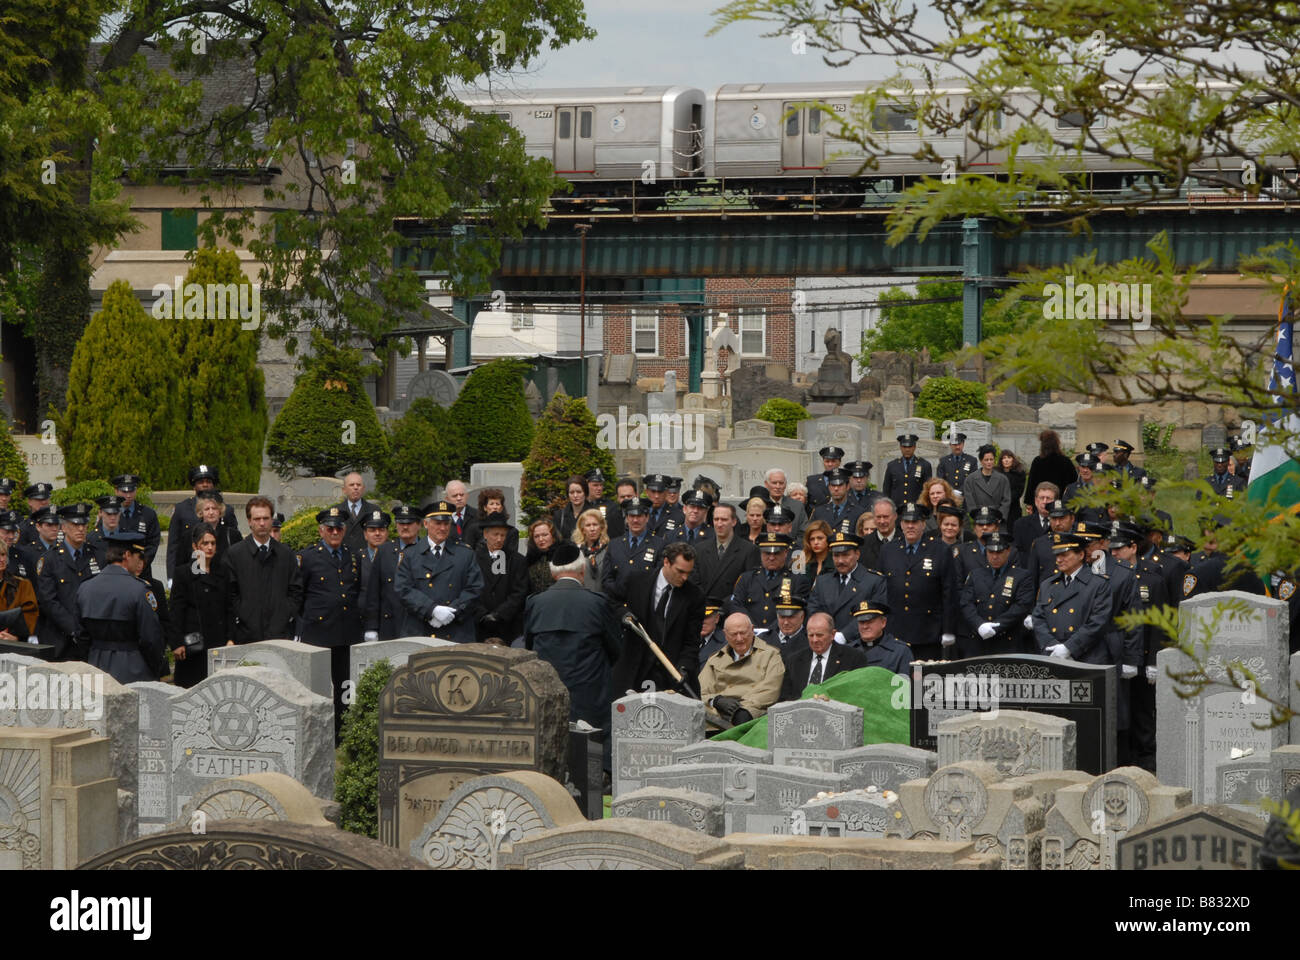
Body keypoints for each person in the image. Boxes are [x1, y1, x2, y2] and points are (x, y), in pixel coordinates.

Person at [523, 541, 621, 726]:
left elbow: (529, 646)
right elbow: (615, 648)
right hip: (590, 693)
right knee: (590, 752)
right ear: (582, 570)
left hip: (547, 692)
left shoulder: (536, 603)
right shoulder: (597, 602)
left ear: (553, 573)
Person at [298, 506, 363, 739]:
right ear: (321, 530)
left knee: (346, 686)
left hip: (347, 632)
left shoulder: (353, 555)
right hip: (319, 633)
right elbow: (300, 595)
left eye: (339, 528)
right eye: (330, 528)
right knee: (319, 686)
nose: (335, 532)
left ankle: (342, 730)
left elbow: (356, 591)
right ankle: (317, 731)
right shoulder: (307, 557)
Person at [1109, 522, 1168, 771]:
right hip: (1119, 654)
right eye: (1111, 549)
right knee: (1122, 712)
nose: (1114, 553)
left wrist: (1155, 659)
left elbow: (1160, 620)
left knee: (1144, 712)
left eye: (1119, 549)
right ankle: (1125, 759)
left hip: (1144, 655)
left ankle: (1147, 761)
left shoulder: (1152, 576)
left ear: (1133, 547)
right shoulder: (1109, 575)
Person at [611, 542, 705, 697]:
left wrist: (683, 668)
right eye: (680, 571)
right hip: (635, 669)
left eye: (688, 573)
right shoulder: (636, 580)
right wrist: (624, 614)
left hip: (671, 674)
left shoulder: (694, 596)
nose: (684, 577)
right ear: (666, 562)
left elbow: (692, 641)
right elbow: (612, 600)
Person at [75, 530, 165, 685]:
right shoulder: (139, 591)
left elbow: (81, 634)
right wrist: (155, 668)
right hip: (133, 668)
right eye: (139, 556)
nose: (140, 562)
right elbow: (150, 639)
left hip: (95, 666)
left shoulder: (85, 588)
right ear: (127, 555)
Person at [395, 500, 485, 644]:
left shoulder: (465, 553)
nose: (443, 528)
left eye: (446, 523)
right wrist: (432, 610)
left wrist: (452, 611)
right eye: (437, 523)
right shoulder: (411, 554)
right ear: (426, 524)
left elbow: (475, 588)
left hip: (456, 629)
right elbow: (403, 589)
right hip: (421, 629)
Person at [878, 501, 958, 660]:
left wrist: (948, 630)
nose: (910, 526)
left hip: (928, 631)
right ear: (900, 524)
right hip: (896, 630)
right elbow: (880, 589)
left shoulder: (940, 550)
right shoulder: (888, 550)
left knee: (924, 680)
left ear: (923, 524)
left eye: (915, 522)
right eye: (906, 522)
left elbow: (949, 593)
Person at [226, 495, 303, 645]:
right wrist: (244, 614)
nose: (262, 523)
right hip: (246, 634)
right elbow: (230, 593)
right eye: (257, 519)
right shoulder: (235, 554)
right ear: (249, 521)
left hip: (279, 634)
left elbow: (296, 590)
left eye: (266, 518)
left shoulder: (285, 554)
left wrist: (285, 614)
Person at [1029, 532, 1114, 663]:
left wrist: (1069, 647)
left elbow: (1098, 622)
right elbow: (1038, 618)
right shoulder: (1048, 584)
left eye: (1064, 555)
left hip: (1086, 656)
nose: (1058, 560)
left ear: (1080, 555)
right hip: (1053, 653)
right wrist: (1051, 645)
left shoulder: (1098, 584)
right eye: (1057, 555)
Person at [699, 612, 785, 728]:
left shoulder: (770, 655)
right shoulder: (715, 659)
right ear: (725, 635)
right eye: (734, 634)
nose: (739, 639)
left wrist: (741, 708)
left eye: (743, 633)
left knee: (743, 718)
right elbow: (700, 691)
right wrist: (716, 701)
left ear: (752, 630)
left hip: (751, 711)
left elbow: (771, 690)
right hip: (717, 714)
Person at [37, 503, 99, 661]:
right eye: (75, 525)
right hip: (60, 639)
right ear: (63, 528)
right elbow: (48, 601)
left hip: (91, 638)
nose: (81, 529)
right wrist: (73, 628)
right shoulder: (49, 559)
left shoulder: (96, 556)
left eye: (84, 524)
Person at [169, 523, 228, 689]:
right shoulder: (184, 573)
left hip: (218, 641)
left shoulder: (223, 571)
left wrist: (231, 638)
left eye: (213, 543)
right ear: (195, 546)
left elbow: (229, 607)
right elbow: (176, 609)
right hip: (193, 643)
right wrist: (177, 642)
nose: (209, 547)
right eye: (205, 543)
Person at [959, 531, 1035, 656]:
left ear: (1008, 551)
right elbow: (966, 603)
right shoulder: (975, 574)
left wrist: (996, 627)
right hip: (978, 641)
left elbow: (1021, 606)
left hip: (1008, 643)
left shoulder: (1022, 576)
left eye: (999, 552)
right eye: (991, 552)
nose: (994, 556)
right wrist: (979, 625)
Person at [807, 530, 889, 637]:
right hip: (826, 642)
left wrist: (843, 635)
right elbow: (813, 610)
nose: (840, 561)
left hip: (858, 644)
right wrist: (826, 633)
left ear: (857, 554)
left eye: (845, 555)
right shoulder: (823, 581)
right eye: (836, 555)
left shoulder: (874, 581)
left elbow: (874, 616)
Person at [167, 465, 239, 581]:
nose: (205, 485)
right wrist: (171, 576)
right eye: (201, 482)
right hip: (194, 571)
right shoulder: (181, 509)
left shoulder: (228, 510)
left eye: (208, 481)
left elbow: (235, 545)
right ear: (194, 485)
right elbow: (173, 547)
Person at [727, 532, 810, 633]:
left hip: (780, 635)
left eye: (776, 553)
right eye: (767, 553)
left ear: (786, 553)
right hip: (749, 633)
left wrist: (769, 632)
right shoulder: (747, 578)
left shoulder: (798, 581)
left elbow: (799, 612)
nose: (771, 558)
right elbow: (736, 605)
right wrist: (751, 627)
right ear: (761, 553)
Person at [362, 503, 422, 641]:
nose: (405, 527)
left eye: (410, 523)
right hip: (389, 624)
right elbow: (373, 592)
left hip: (418, 623)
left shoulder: (427, 550)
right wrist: (371, 626)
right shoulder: (384, 551)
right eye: (401, 522)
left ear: (419, 525)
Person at [777, 610, 868, 701]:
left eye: (819, 635)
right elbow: (785, 697)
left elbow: (858, 694)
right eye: (811, 635)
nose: (815, 640)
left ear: (832, 634)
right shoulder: (794, 660)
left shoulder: (853, 658)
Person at [472, 511, 529, 643]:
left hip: (508, 625)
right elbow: (469, 588)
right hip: (480, 625)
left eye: (503, 535)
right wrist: (482, 614)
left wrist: (499, 614)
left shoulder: (517, 560)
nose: (499, 539)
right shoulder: (472, 559)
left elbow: (519, 592)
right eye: (495, 534)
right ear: (485, 534)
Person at [687, 501, 757, 603]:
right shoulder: (699, 549)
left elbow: (749, 587)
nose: (719, 524)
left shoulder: (749, 550)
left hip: (732, 611)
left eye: (724, 520)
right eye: (716, 519)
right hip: (702, 609)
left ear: (734, 522)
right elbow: (693, 583)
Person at [602, 498, 664, 600]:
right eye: (632, 516)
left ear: (647, 517)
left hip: (645, 606)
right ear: (626, 518)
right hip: (618, 606)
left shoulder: (659, 545)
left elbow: (659, 581)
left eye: (639, 516)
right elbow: (606, 580)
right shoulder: (614, 545)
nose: (635, 520)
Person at [843, 601, 911, 675]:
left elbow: (913, 684)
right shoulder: (848, 650)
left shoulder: (900, 651)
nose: (865, 627)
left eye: (869, 622)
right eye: (861, 622)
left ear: (883, 622)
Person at [954, 506, 1014, 582]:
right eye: (980, 525)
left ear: (997, 528)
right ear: (974, 528)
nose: (984, 527)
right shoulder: (962, 551)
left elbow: (1015, 580)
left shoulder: (1010, 551)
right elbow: (957, 585)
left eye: (989, 524)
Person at [111, 474, 161, 566]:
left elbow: (153, 543)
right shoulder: (109, 514)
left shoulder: (148, 514)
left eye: (131, 491)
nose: (128, 495)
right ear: (116, 491)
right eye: (124, 492)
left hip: (141, 569)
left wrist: (140, 563)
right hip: (116, 569)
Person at [1023, 430, 1077, 512]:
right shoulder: (1065, 461)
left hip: (1041, 502)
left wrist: (1029, 502)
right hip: (1060, 503)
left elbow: (1031, 484)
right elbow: (1074, 481)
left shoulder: (1038, 461)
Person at [882, 434, 933, 509]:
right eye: (904, 447)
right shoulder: (892, 465)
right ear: (900, 447)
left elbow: (927, 490)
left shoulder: (924, 465)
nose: (907, 449)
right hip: (897, 509)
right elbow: (886, 490)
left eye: (910, 447)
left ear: (914, 447)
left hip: (916, 509)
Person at [964, 445, 1012, 522]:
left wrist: (1000, 516)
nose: (989, 462)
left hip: (996, 518)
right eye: (986, 460)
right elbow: (970, 502)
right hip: (979, 518)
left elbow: (1006, 500)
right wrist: (976, 516)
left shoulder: (1003, 479)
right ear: (981, 460)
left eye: (991, 459)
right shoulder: (970, 479)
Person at [335, 472, 379, 554]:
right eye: (351, 485)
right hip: (343, 559)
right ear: (344, 490)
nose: (355, 487)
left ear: (363, 488)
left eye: (359, 485)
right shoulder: (336, 511)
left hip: (367, 558)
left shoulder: (374, 510)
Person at [0, 546, 38, 641]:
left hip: (14, 642)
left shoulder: (23, 585)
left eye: (3, 554)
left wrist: (16, 637)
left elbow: (30, 613)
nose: (1, 559)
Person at [812, 468, 864, 535]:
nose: (836, 489)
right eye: (833, 485)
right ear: (829, 487)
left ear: (848, 486)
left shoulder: (858, 512)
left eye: (840, 485)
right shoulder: (819, 512)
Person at [1013, 482, 1060, 554]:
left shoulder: (1062, 524)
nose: (1045, 502)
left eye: (1048, 498)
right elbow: (1017, 554)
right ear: (1036, 501)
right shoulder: (1021, 524)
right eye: (1042, 498)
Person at [195, 490, 242, 563]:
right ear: (201, 512)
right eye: (207, 509)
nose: (211, 512)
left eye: (214, 508)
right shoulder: (191, 535)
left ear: (220, 511)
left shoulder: (233, 535)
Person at [574, 507, 611, 595]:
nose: (592, 529)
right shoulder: (576, 552)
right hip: (582, 599)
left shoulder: (609, 549)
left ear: (601, 527)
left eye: (595, 524)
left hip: (605, 600)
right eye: (588, 525)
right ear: (582, 529)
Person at [1063, 453, 1108, 524]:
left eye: (1089, 467)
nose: (1085, 470)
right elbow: (1065, 512)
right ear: (1079, 468)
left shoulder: (1103, 489)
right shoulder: (1071, 489)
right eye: (1083, 467)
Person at [0, 511, 38, 595]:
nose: (11, 536)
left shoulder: (23, 556)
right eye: (7, 532)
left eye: (13, 532)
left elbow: (34, 589)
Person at [358, 509, 391, 599]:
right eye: (372, 530)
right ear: (365, 534)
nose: (377, 533)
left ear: (387, 533)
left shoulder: (396, 557)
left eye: (381, 530)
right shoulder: (358, 558)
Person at [584, 468, 625, 539]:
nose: (599, 488)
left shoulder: (612, 507)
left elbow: (618, 533)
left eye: (601, 485)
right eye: (595, 485)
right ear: (587, 486)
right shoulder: (581, 505)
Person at [859, 498, 899, 571]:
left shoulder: (905, 541)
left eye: (886, 517)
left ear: (895, 516)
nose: (882, 521)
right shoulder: (863, 544)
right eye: (878, 517)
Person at [525, 517, 561, 596]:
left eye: (545, 535)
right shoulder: (529, 560)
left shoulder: (562, 557)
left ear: (553, 536)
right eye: (536, 536)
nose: (541, 539)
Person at [793, 519, 835, 584]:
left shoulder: (836, 562)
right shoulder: (800, 561)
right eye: (812, 539)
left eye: (820, 538)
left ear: (828, 538)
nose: (816, 542)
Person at [769, 590, 809, 655]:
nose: (786, 622)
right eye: (782, 617)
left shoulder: (811, 641)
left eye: (791, 617)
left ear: (802, 617)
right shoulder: (764, 638)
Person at [642, 473, 683, 537]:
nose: (656, 496)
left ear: (666, 492)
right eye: (653, 491)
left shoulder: (678, 515)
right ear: (646, 492)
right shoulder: (640, 512)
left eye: (660, 492)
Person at [551, 475, 589, 543]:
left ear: (585, 493)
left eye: (579, 492)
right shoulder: (559, 516)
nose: (575, 496)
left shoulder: (594, 514)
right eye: (571, 492)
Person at [18, 482, 55, 549]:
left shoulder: (58, 523)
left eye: (45, 498)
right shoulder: (23, 529)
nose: (43, 502)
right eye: (39, 499)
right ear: (29, 502)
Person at [445, 480, 478, 545]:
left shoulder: (478, 516)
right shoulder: (442, 518)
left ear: (467, 495)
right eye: (455, 496)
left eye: (462, 495)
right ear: (447, 498)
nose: (459, 498)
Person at [997, 450, 1027, 522]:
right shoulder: (996, 473)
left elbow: (1019, 491)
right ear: (1001, 461)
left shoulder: (1019, 473)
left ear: (1013, 459)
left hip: (1014, 507)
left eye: (1009, 457)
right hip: (999, 507)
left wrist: (1006, 500)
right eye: (1004, 458)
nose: (1006, 460)